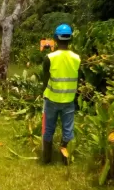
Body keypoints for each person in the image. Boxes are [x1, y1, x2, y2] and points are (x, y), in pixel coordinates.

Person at [41, 24, 81, 165]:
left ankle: (46, 159)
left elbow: (44, 81)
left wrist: (43, 92)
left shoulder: (49, 58)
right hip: (69, 100)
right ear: (70, 39)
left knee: (49, 128)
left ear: (55, 38)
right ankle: (66, 160)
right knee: (67, 130)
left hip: (51, 99)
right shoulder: (77, 58)